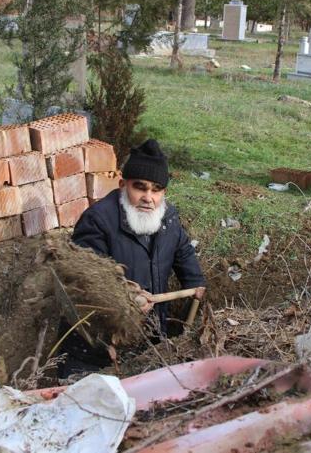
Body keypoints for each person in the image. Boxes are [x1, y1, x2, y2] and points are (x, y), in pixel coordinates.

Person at [57, 139, 206, 377]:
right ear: (122, 185)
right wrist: (126, 299)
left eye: (156, 190)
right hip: (94, 354)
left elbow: (191, 271)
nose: (148, 197)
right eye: (140, 187)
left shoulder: (169, 221)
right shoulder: (98, 221)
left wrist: (196, 294)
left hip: (149, 350)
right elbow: (85, 286)